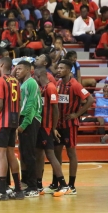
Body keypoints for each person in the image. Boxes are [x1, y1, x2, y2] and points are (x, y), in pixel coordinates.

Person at [46, 59, 94, 195]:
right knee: (56, 153)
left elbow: (90, 99)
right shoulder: (58, 83)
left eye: (61, 68)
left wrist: (77, 114)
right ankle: (56, 183)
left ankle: (72, 185)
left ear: (68, 70)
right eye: (58, 68)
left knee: (71, 153)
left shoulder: (75, 85)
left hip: (70, 125)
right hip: (58, 124)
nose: (58, 70)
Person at [0, 57, 24, 200]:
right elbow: (19, 105)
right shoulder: (16, 82)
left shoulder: (0, 81)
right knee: (11, 154)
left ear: (1, 65)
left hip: (3, 122)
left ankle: (1, 191)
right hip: (13, 121)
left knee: (0, 155)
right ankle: (18, 189)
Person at [33, 67, 71, 197]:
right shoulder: (42, 88)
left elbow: (56, 109)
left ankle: (64, 185)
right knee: (39, 155)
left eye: (34, 77)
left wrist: (53, 128)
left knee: (50, 154)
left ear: (39, 75)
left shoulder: (50, 88)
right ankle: (38, 186)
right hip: (40, 127)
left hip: (46, 127)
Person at [15, 60, 42, 198]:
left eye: (19, 69)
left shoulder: (31, 83)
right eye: (16, 68)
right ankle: (25, 182)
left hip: (30, 121)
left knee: (30, 154)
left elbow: (31, 106)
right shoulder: (23, 83)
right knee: (24, 153)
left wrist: (23, 125)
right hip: (25, 120)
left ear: (28, 70)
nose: (17, 71)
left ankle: (33, 186)